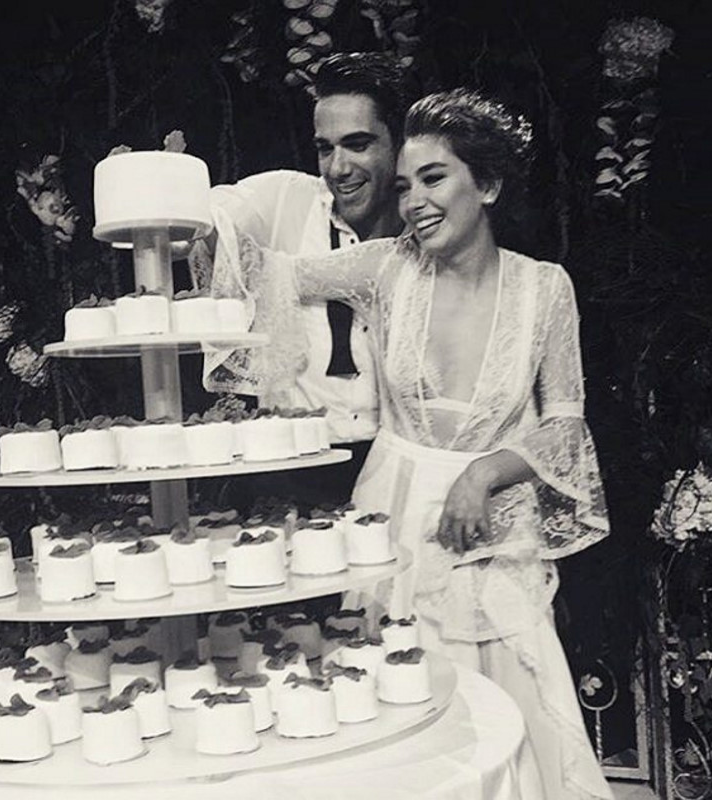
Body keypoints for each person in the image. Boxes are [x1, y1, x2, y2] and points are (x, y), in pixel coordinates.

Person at [209, 88, 613, 799]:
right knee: (395, 713)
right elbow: (270, 271)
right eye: (404, 186)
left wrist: (485, 473)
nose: (414, 202)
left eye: (434, 179)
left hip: (491, 533)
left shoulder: (546, 288)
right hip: (390, 525)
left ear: (486, 185)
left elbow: (565, 422)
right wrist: (199, 209)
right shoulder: (384, 268)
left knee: (513, 713)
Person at [192, 52, 420, 509]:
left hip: (403, 472)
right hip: (291, 475)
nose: (338, 168)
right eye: (325, 148)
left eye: (357, 144)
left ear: (400, 144)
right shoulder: (285, 200)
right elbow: (208, 214)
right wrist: (175, 214)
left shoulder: (429, 224)